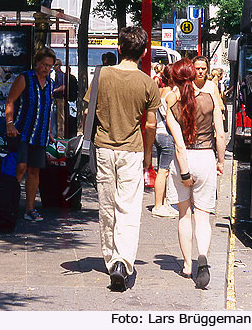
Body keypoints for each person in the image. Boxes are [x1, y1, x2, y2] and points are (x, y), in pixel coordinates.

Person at [84, 26, 159, 291]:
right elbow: (150, 125)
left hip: (104, 148)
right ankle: (123, 261)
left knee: (107, 206)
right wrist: (148, 155)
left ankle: (110, 258)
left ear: (119, 49)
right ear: (144, 52)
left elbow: (87, 113)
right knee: (128, 207)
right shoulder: (148, 83)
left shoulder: (102, 76)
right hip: (133, 151)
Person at [166, 58, 225, 289]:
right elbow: (220, 135)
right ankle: (202, 256)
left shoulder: (173, 105)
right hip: (206, 156)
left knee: (184, 215)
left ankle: (187, 266)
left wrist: (184, 173)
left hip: (185, 160)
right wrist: (220, 161)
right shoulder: (211, 99)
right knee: (202, 215)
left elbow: (179, 145)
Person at [5, 47, 56, 222]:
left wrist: (49, 130)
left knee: (35, 171)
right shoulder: (24, 78)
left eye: (50, 66)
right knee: (20, 168)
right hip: (23, 131)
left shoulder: (50, 84)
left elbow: (48, 109)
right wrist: (9, 123)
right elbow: (10, 100)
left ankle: (30, 209)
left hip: (40, 134)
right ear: (37, 62)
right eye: (44, 65)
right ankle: (8, 205)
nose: (46, 69)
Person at [152, 65, 178, 218]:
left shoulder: (160, 91)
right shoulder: (171, 95)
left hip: (157, 133)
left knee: (161, 170)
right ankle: (158, 205)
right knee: (164, 171)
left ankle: (161, 203)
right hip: (167, 135)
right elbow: (173, 118)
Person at [51, 59, 66, 139]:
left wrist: (53, 90)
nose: (54, 67)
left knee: (60, 118)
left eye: (55, 65)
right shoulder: (56, 74)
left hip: (60, 99)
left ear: (59, 65)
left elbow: (63, 87)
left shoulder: (60, 75)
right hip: (57, 98)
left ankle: (61, 136)